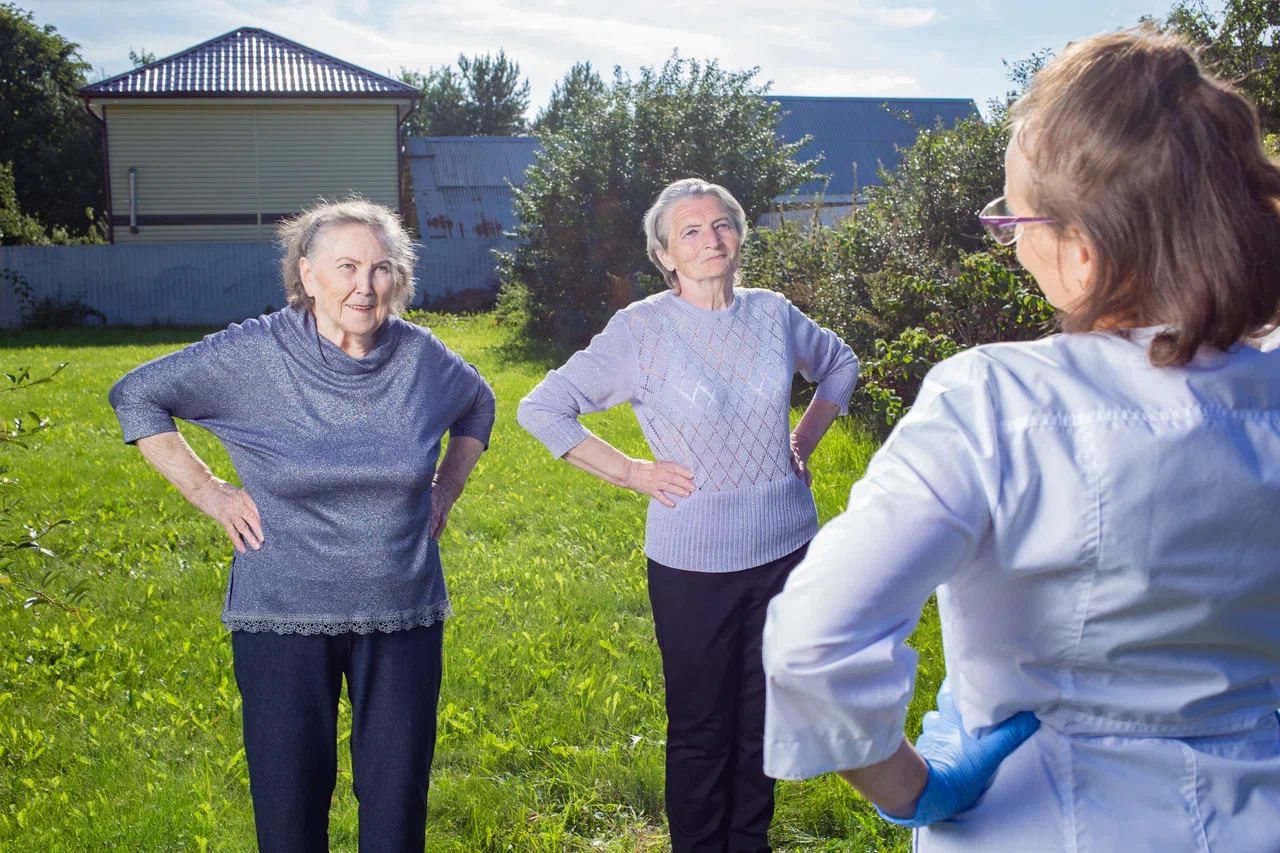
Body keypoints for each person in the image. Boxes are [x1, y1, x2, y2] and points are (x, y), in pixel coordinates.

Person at [762, 29, 1280, 852]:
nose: (1011, 240)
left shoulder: (994, 401)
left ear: (1084, 251)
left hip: (1038, 821)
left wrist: (913, 788)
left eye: (1015, 217)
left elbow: (812, 643)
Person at [108, 198, 496, 853]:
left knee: (397, 814)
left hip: (400, 613)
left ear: (398, 278)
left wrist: (447, 486)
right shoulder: (255, 354)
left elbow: (478, 402)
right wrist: (209, 490)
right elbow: (137, 393)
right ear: (307, 273)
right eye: (346, 266)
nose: (363, 285)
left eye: (380, 268)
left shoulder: (420, 358)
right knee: (289, 816)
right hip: (281, 616)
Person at [517, 178, 858, 853]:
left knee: (764, 718)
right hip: (693, 563)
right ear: (665, 254)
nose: (711, 240)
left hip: (788, 549)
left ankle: (748, 842)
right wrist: (634, 471)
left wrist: (803, 439)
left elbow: (840, 365)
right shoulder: (642, 330)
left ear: (740, 237)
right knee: (703, 727)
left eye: (721, 225)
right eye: (691, 231)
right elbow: (541, 407)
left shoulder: (773, 313)